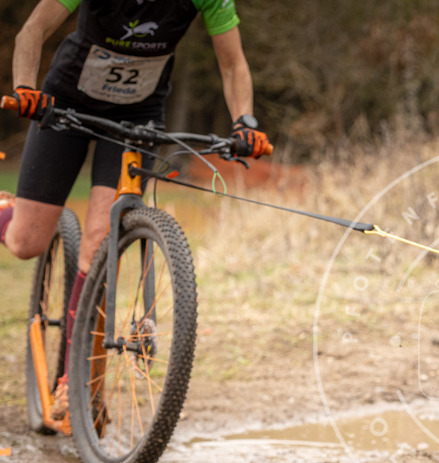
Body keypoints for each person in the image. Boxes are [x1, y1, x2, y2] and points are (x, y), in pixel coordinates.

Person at [0, 0, 270, 420]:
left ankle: (78, 384)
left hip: (138, 115)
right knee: (24, 242)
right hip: (66, 104)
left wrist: (245, 123)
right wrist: (25, 88)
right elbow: (30, 31)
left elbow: (233, 65)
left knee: (100, 242)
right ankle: (5, 211)